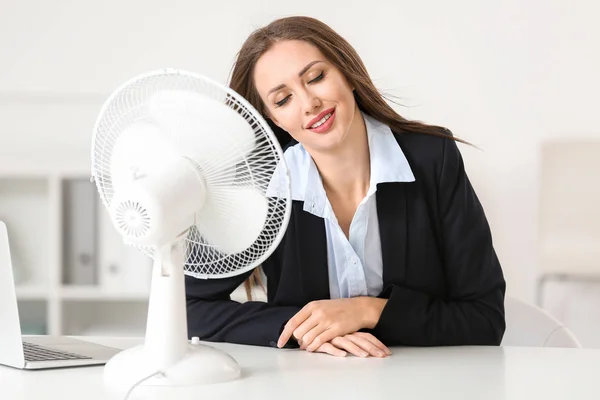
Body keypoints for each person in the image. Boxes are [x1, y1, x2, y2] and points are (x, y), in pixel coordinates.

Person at [185, 16, 506, 358]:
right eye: (283, 100)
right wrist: (305, 329)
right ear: (273, 119)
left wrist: (369, 311)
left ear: (347, 73)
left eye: (316, 77)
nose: (309, 103)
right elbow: (186, 307)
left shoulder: (433, 159)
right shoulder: (264, 190)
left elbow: (484, 318)